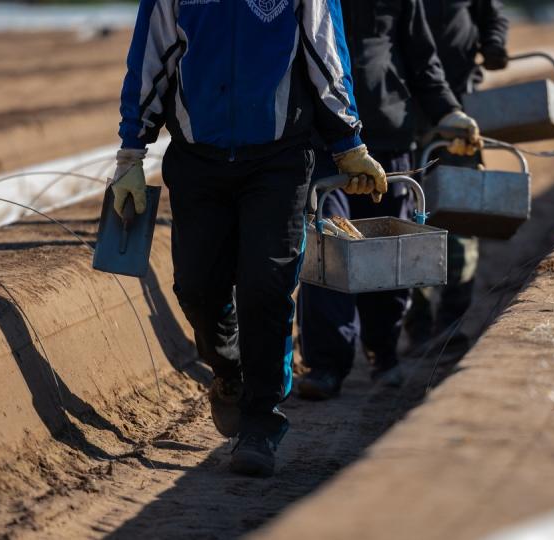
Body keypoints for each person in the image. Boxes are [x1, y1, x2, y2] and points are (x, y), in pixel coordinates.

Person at [110, 0, 387, 478]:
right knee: (196, 286)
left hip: (279, 158)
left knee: (268, 286)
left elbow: (326, 52)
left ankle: (261, 420)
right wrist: (131, 155)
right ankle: (229, 372)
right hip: (198, 158)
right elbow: (151, 57)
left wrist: (350, 145)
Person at [296, 0, 481, 400]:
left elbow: (421, 58)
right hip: (325, 142)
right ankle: (326, 364)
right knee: (329, 251)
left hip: (389, 138)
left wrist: (449, 111)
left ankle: (384, 352)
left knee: (388, 258)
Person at [406, 0, 509, 353]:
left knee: (460, 221)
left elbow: (493, 17)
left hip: (460, 114)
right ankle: (415, 323)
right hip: (405, 113)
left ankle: (450, 324)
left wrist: (494, 44)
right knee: (409, 223)